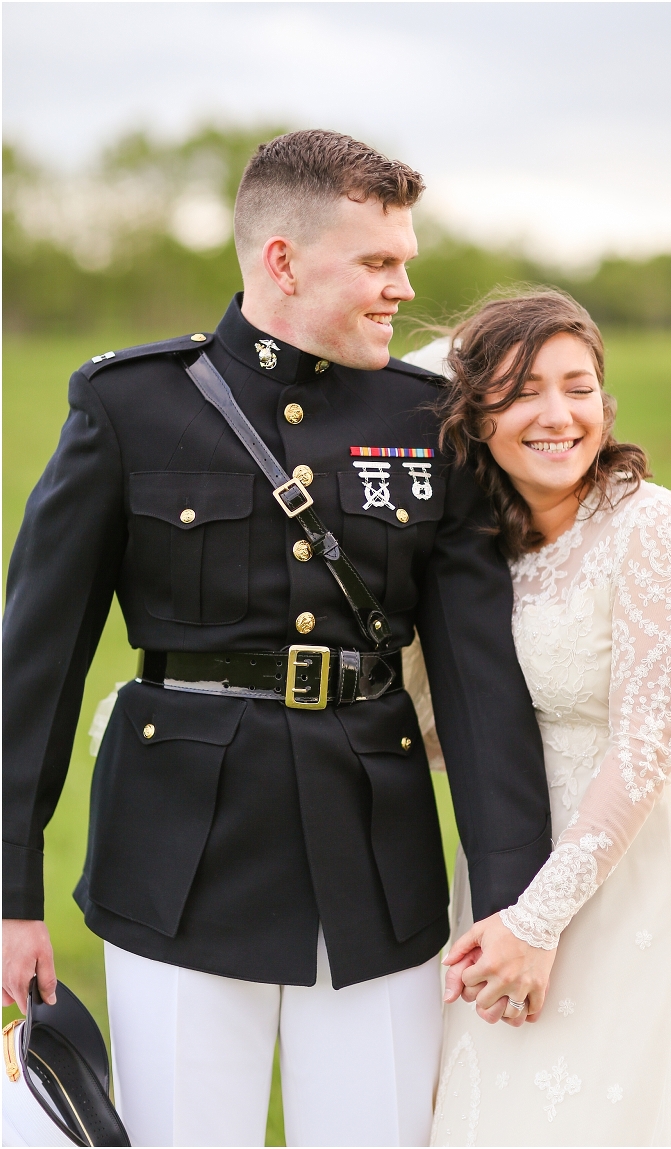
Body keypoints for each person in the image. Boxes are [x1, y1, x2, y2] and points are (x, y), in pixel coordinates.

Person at [2, 132, 552, 1147]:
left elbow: (480, 685)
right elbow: (34, 668)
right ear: (283, 261)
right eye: (377, 262)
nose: (403, 288)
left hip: (375, 872)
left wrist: (517, 902)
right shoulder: (130, 407)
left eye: (404, 260)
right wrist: (10, 895)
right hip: (176, 868)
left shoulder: (428, 424)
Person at [407, 292, 671, 1147]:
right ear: (476, 416)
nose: (559, 415)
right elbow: (468, 728)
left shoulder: (654, 530)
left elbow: (644, 751)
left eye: (578, 387)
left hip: (642, 871)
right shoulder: (489, 550)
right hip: (519, 852)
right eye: (523, 390)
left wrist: (536, 920)